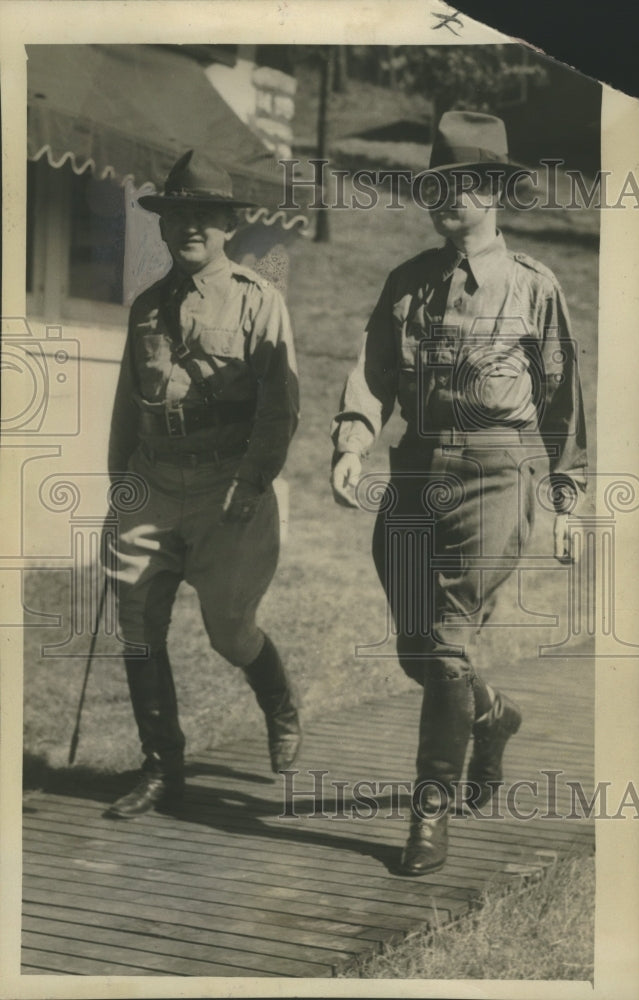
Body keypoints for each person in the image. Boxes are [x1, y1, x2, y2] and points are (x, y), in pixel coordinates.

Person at [331, 112, 587, 874]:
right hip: (415, 473)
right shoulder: (407, 281)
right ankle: (493, 714)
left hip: (496, 474)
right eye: (436, 185)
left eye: (462, 184)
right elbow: (374, 373)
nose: (444, 198)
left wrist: (567, 501)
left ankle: (430, 812)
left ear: (494, 191)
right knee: (418, 651)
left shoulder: (534, 287)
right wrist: (351, 444)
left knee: (447, 645)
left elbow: (563, 404)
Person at [104, 149, 301, 819]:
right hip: (154, 481)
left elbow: (280, 408)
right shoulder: (146, 307)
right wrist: (119, 489)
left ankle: (278, 700)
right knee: (137, 624)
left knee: (230, 632)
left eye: (207, 216)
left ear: (229, 225)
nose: (191, 227)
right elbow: (127, 408)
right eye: (178, 216)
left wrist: (253, 480)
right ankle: (162, 768)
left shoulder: (258, 300)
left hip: (227, 489)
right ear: (163, 226)